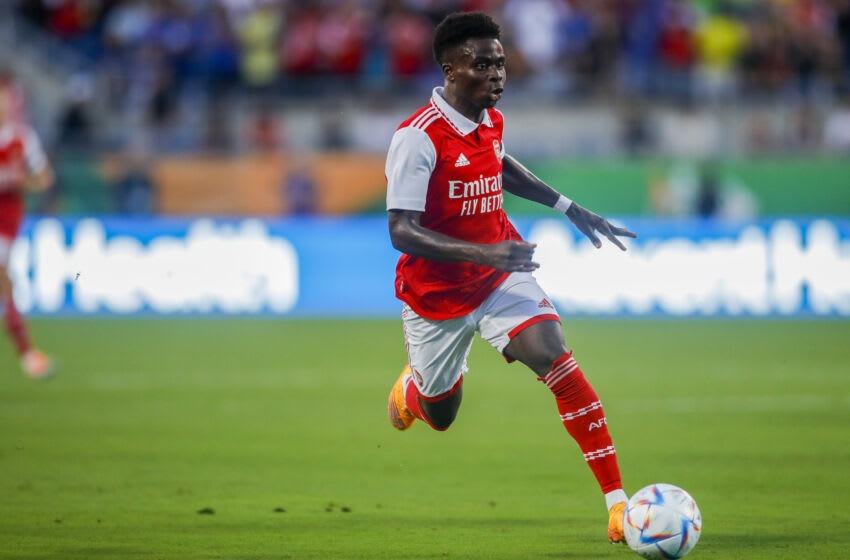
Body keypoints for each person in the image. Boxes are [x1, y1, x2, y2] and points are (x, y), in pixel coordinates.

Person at [384, 12, 637, 544]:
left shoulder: (489, 120)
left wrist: (569, 206)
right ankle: (414, 390)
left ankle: (618, 504)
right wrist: (483, 252)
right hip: (436, 298)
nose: (497, 74)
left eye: (500, 63)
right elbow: (402, 232)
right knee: (442, 414)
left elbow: (498, 164)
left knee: (555, 354)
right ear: (451, 69)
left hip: (500, 278)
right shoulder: (417, 139)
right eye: (483, 65)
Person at [0, 81, 54, 378]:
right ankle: (27, 352)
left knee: (5, 279)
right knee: (6, 281)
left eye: (6, 100)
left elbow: (44, 178)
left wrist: (25, 183)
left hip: (5, 223)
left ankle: (27, 352)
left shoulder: (22, 138)